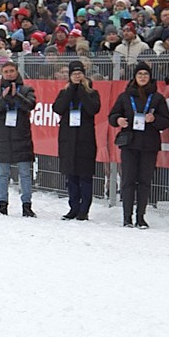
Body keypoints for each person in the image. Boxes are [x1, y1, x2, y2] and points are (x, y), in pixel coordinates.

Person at [111, 62, 169, 228]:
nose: (143, 77)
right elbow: (112, 115)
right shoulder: (125, 96)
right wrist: (118, 120)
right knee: (128, 180)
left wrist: (155, 119)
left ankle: (141, 216)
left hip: (149, 144)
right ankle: (127, 216)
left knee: (144, 181)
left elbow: (166, 121)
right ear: (134, 77)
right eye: (139, 74)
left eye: (145, 74)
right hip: (129, 143)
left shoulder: (157, 98)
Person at [0, 63, 38, 216]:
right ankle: (2, 204)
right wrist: (4, 98)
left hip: (22, 137)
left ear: (17, 72)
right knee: (2, 174)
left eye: (11, 71)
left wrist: (16, 96)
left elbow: (30, 105)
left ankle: (27, 205)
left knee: (25, 174)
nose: (9, 74)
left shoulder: (27, 90)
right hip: (3, 138)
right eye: (6, 72)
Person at [51, 59, 100, 221]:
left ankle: (84, 209)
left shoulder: (92, 93)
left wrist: (81, 90)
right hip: (67, 139)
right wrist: (72, 88)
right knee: (71, 176)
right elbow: (58, 108)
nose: (77, 76)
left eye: (80, 73)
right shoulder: (65, 92)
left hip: (85, 140)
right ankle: (73, 207)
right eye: (74, 74)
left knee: (85, 176)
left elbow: (93, 109)